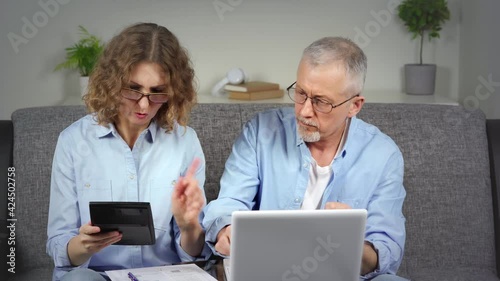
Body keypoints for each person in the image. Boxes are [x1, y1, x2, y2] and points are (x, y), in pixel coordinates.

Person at [202, 37, 408, 281]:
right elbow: (229, 202)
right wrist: (226, 230)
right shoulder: (262, 132)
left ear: (354, 106)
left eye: (321, 101)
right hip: (268, 274)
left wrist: (351, 246)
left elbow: (386, 251)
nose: (303, 111)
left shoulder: (383, 155)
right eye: (300, 93)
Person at [46, 23, 209, 281]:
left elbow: (194, 255)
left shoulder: (185, 142)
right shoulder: (73, 141)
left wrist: (189, 226)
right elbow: (59, 245)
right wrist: (83, 245)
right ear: (112, 82)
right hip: (96, 275)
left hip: (164, 275)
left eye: (157, 92)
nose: (144, 105)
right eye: (133, 89)